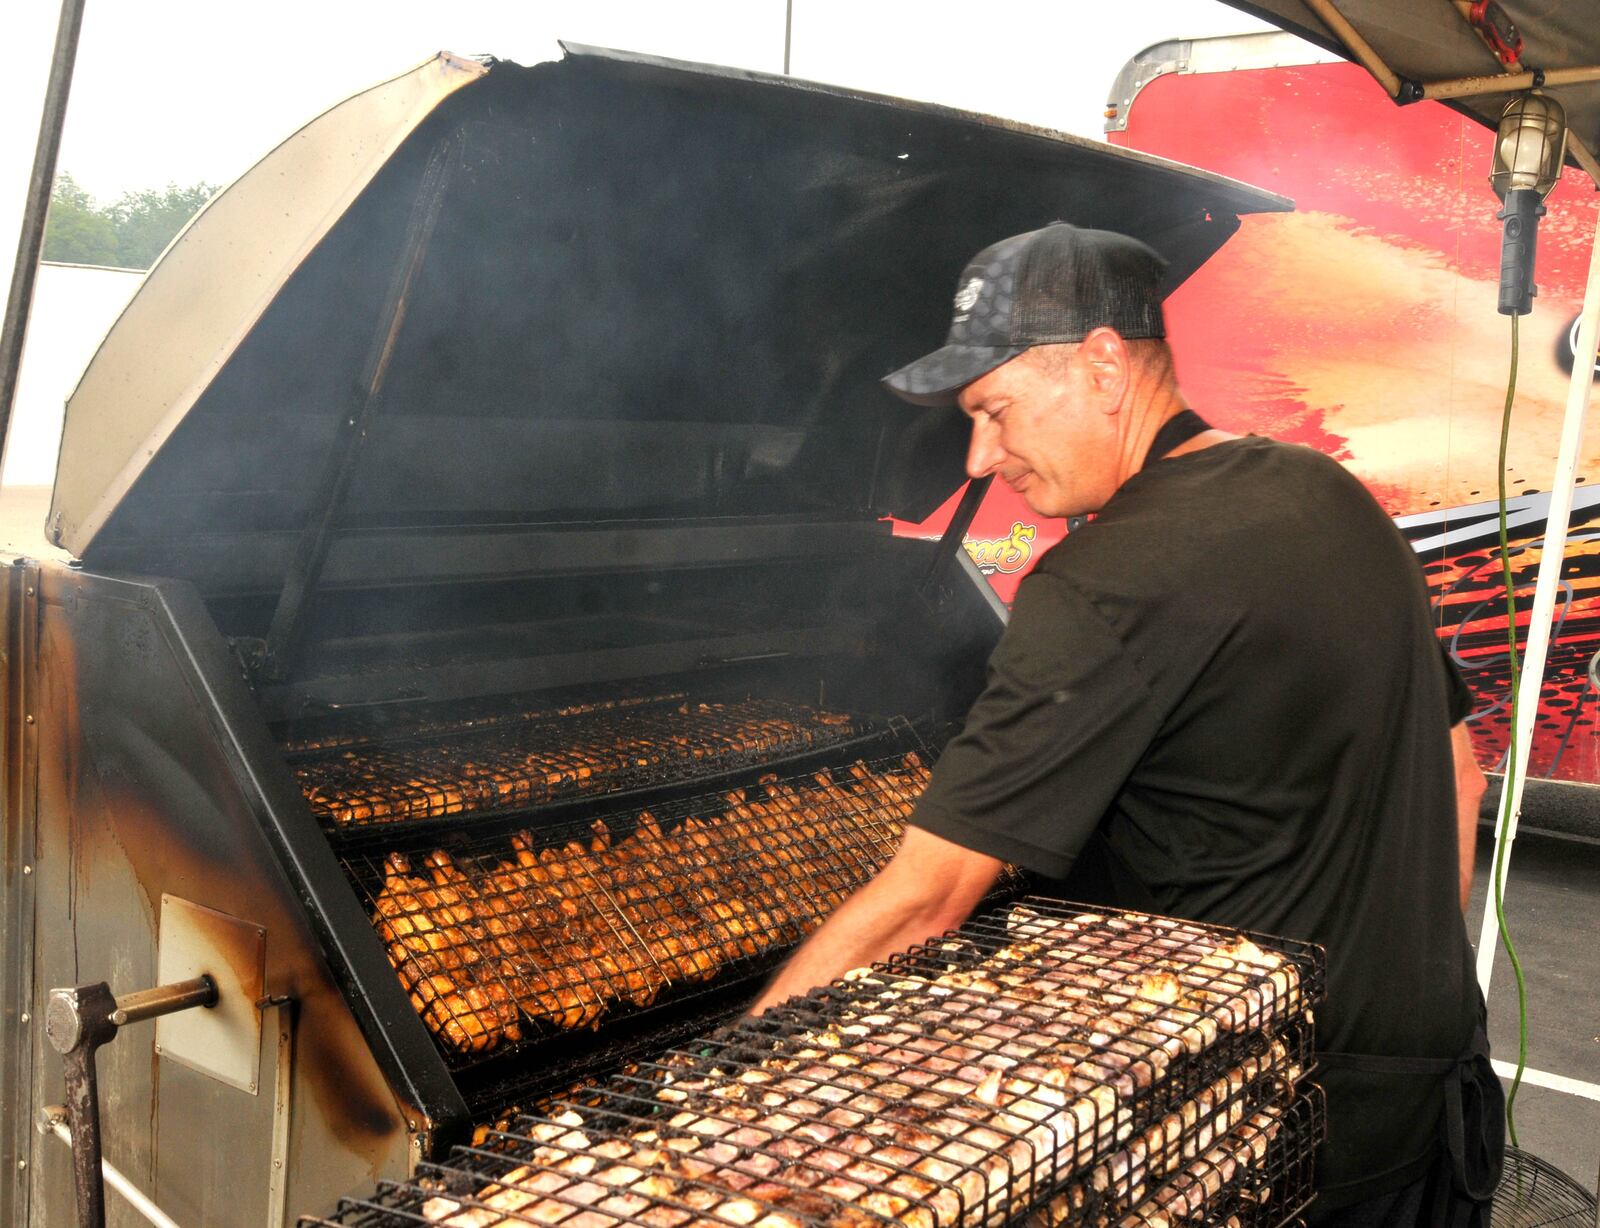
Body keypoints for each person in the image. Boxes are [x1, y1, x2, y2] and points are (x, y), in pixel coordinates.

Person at [751, 223, 1503, 1225]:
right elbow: (1457, 768)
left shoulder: (1106, 581)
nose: (980, 453)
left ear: (1103, 364)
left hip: (1262, 1139)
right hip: (1426, 1103)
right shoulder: (1328, 495)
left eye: (994, 408)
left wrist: (737, 1085)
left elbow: (924, 905)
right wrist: (1398, 986)